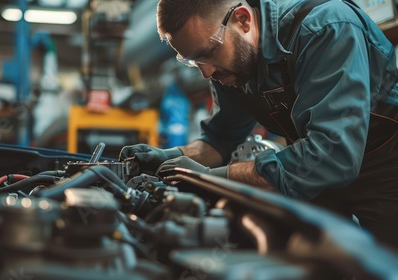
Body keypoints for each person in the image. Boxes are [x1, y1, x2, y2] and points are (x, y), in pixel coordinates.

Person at [120, 0, 398, 250]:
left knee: (380, 265)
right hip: (311, 173)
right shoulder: (231, 65)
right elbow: (221, 140)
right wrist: (171, 158)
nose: (206, 71)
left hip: (385, 169)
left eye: (207, 52)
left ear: (242, 19)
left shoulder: (324, 28)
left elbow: (333, 155)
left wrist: (208, 177)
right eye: (194, 61)